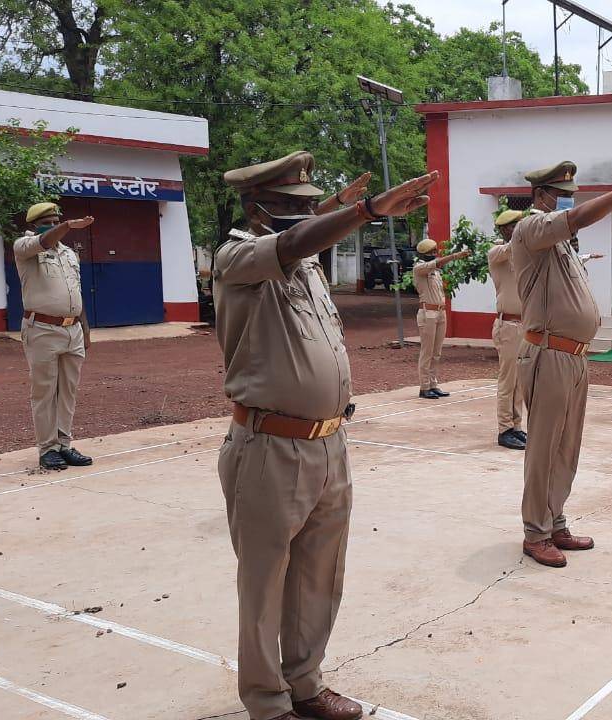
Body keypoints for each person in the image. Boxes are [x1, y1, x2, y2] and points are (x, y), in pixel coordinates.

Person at [215, 149, 438, 720]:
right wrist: (364, 210)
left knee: (320, 573)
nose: (301, 215)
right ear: (258, 206)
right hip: (269, 444)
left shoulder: (307, 263)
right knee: (265, 583)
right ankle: (267, 702)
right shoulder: (237, 255)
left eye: (308, 206)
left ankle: (306, 683)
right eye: (292, 205)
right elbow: (288, 247)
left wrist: (343, 208)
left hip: (329, 441)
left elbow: (302, 245)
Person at [513, 159, 612, 568]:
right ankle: (536, 531)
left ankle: (555, 521)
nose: (568, 199)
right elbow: (580, 217)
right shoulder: (531, 228)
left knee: (567, 447)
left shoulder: (562, 244)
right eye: (561, 193)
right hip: (547, 352)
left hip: (573, 356)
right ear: (541, 194)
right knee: (544, 446)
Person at [13, 203, 95, 470]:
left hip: (72, 329)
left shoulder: (70, 254)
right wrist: (68, 226)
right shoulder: (24, 247)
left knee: (68, 391)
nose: (54, 223)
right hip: (42, 330)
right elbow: (45, 242)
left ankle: (64, 444)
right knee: (44, 392)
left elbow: (76, 290)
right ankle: (47, 448)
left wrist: (84, 326)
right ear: (36, 224)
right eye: (48, 220)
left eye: (57, 219)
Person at [488, 209, 528, 450]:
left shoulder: (519, 255)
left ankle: (516, 425)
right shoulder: (497, 252)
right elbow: (509, 248)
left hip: (524, 324)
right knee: (507, 381)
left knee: (520, 381)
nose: (519, 229)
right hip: (508, 325)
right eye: (516, 225)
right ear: (505, 229)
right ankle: (504, 429)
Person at [412, 239, 470, 400]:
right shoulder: (419, 268)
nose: (434, 254)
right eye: (430, 252)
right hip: (427, 313)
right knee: (427, 352)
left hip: (440, 313)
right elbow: (438, 262)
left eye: (434, 251)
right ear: (423, 254)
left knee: (436, 352)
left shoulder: (436, 271)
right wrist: (455, 256)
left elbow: (437, 264)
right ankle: (424, 387)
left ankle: (433, 384)